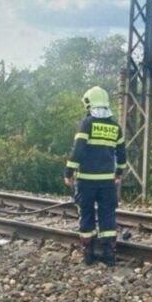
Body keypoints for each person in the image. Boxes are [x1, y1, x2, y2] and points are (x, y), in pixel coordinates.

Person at [64, 86, 126, 265]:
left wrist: (68, 172)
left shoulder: (86, 123)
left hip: (86, 181)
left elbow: (78, 151)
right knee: (107, 215)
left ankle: (88, 254)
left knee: (87, 214)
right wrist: (119, 172)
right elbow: (122, 154)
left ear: (89, 103)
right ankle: (109, 255)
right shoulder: (115, 127)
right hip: (107, 181)